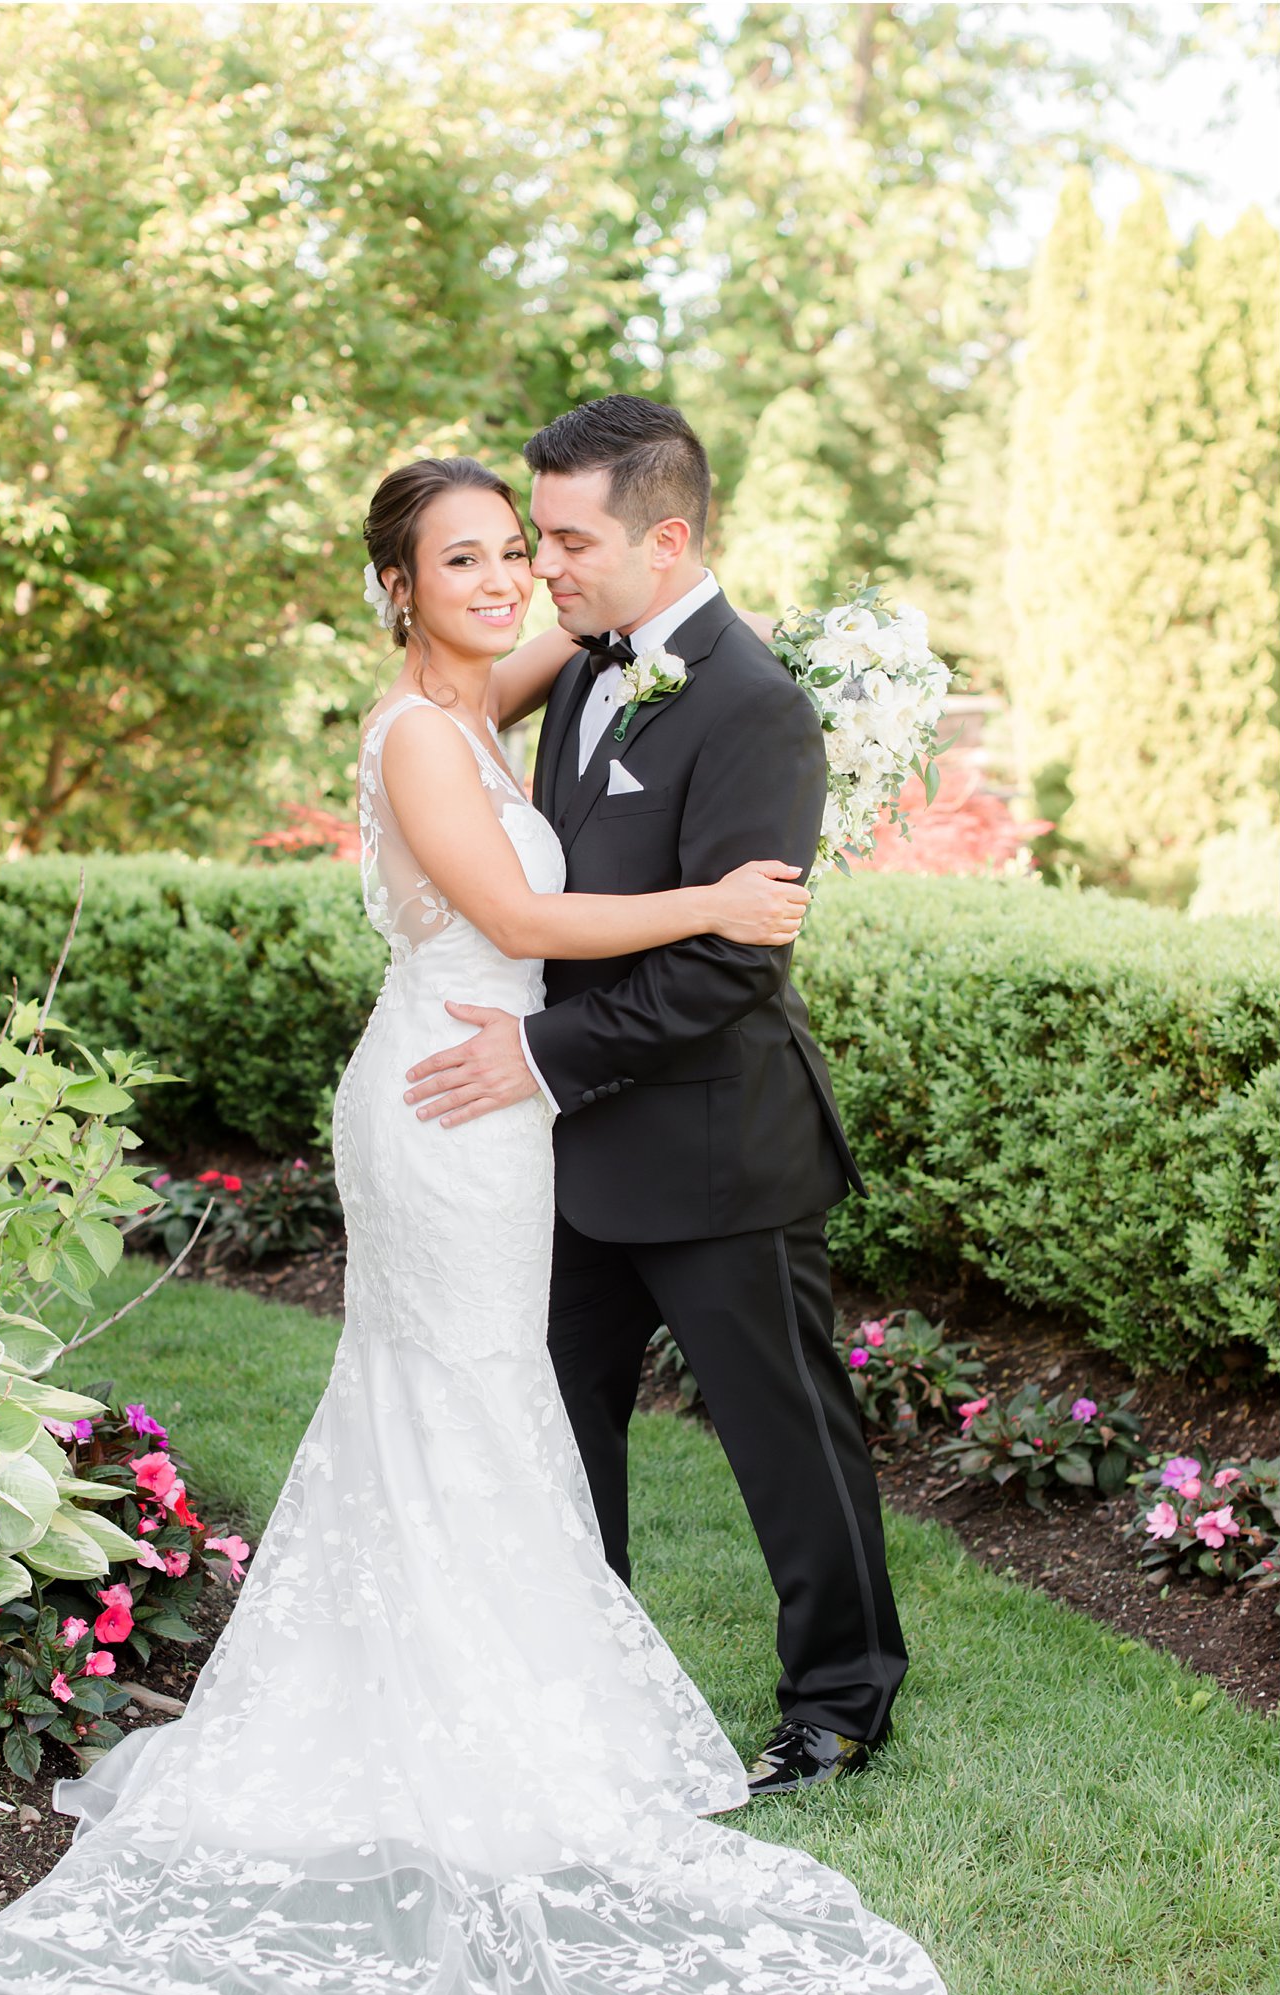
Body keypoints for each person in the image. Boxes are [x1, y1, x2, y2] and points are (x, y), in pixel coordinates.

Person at [0, 446, 949, 1995]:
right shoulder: (416, 728)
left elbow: (618, 643)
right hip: (469, 1100)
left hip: (561, 1115)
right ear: (398, 587)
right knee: (479, 1397)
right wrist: (712, 895)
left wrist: (716, 641)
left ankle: (754, 1690)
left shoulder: (545, 673)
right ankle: (511, 1698)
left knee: (524, 1409)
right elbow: (524, 910)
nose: (514, 577)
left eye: (535, 548)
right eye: (472, 555)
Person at [403, 396, 909, 1795]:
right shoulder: (581, 663)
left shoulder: (754, 707)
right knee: (558, 1429)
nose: (542, 567)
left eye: (566, 539)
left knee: (785, 1439)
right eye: (530, 538)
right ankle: (585, 1677)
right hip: (567, 1160)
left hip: (715, 1150)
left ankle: (845, 1697)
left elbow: (728, 967)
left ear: (666, 535)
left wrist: (539, 1060)